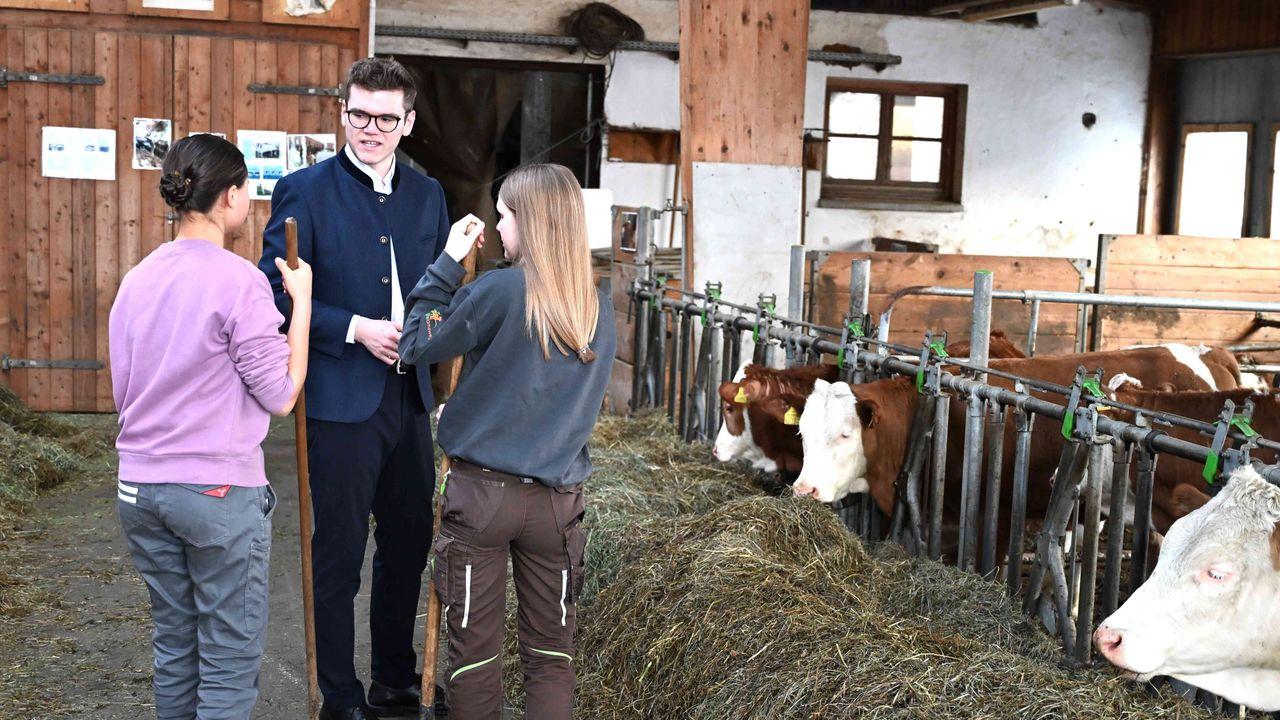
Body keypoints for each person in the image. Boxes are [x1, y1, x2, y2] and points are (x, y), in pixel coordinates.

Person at [257, 57, 450, 720]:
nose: (371, 128)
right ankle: (341, 697)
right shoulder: (303, 191)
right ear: (343, 113)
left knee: (408, 544)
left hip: (412, 396)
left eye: (386, 118)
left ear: (409, 123)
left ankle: (395, 680)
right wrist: (354, 329)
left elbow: (438, 287)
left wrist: (440, 329)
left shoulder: (428, 195)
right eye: (360, 114)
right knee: (339, 552)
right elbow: (273, 293)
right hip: (340, 399)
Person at [399, 163, 617, 720]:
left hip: (483, 500)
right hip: (558, 507)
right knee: (550, 655)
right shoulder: (599, 309)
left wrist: (448, 262)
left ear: (533, 222)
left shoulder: (497, 290)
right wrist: (473, 405)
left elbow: (416, 343)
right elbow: (537, 389)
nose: (497, 229)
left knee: (474, 656)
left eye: (504, 216)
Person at [109, 133, 312, 720]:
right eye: (246, 187)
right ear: (229, 195)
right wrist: (300, 306)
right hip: (215, 493)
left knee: (176, 645)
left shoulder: (137, 278)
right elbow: (279, 395)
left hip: (139, 490)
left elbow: (123, 390)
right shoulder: (239, 280)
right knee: (227, 657)